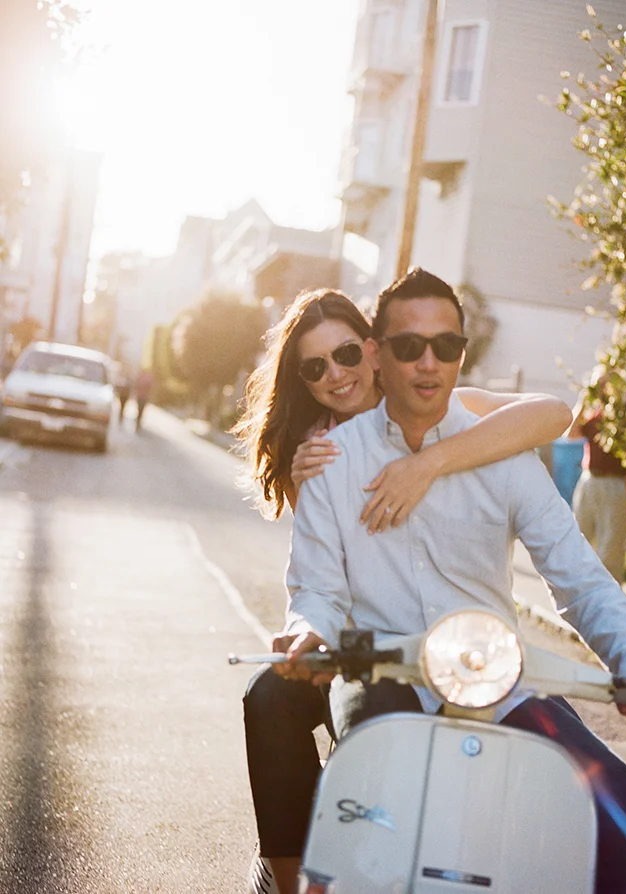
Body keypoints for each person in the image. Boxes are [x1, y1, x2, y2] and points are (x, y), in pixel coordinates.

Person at [281, 269, 626, 894]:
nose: (429, 363)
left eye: (446, 346)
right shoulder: (333, 462)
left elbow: (580, 579)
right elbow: (316, 589)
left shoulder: (505, 459)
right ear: (376, 353)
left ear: (462, 352)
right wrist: (308, 634)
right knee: (363, 818)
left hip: (495, 685)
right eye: (408, 346)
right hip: (381, 678)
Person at [235, 287, 573, 894]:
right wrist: (308, 630)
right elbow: (315, 578)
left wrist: (430, 462)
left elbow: (552, 413)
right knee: (269, 695)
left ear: (372, 350)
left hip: (459, 655)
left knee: (595, 809)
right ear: (303, 380)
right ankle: (285, 878)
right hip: (360, 651)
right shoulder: (320, 452)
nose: (335, 374)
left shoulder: (437, 406)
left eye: (344, 354)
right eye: (315, 367)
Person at [568, 365, 626, 582]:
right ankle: (577, 591)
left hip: (615, 483)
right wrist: (584, 399)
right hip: (589, 480)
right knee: (578, 538)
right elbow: (570, 433)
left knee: (611, 549)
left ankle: (610, 602)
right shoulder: (594, 415)